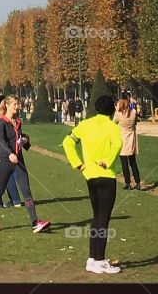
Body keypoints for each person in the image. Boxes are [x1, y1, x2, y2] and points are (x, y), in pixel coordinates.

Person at [63, 93, 123, 275]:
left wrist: (78, 163)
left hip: (89, 176)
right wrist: (108, 160)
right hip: (106, 176)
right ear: (112, 110)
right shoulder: (112, 127)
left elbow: (67, 142)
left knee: (97, 217)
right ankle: (100, 261)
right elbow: (117, 145)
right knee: (103, 219)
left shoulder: (85, 125)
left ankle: (92, 259)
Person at [0, 95, 49, 234]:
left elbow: (18, 137)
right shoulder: (1, 122)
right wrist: (9, 154)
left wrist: (25, 141)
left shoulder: (18, 121)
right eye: (15, 104)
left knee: (26, 192)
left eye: (18, 103)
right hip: (5, 161)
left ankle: (35, 222)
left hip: (19, 161)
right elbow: (1, 140)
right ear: (7, 105)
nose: (17, 106)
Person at [113, 98, 141, 190]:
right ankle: (137, 182)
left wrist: (117, 110)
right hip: (131, 138)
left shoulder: (119, 114)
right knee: (133, 162)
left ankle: (128, 183)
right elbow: (136, 121)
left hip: (122, 139)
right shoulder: (133, 112)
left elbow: (113, 123)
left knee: (124, 163)